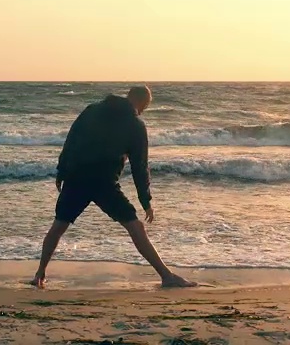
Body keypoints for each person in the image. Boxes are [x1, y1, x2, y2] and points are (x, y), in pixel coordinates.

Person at [31, 86, 197, 288]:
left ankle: (39, 275)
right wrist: (146, 200)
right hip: (104, 182)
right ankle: (166, 276)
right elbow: (140, 166)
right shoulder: (135, 125)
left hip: (77, 177)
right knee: (135, 226)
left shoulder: (92, 110)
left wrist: (61, 171)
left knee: (58, 226)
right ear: (143, 102)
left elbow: (71, 140)